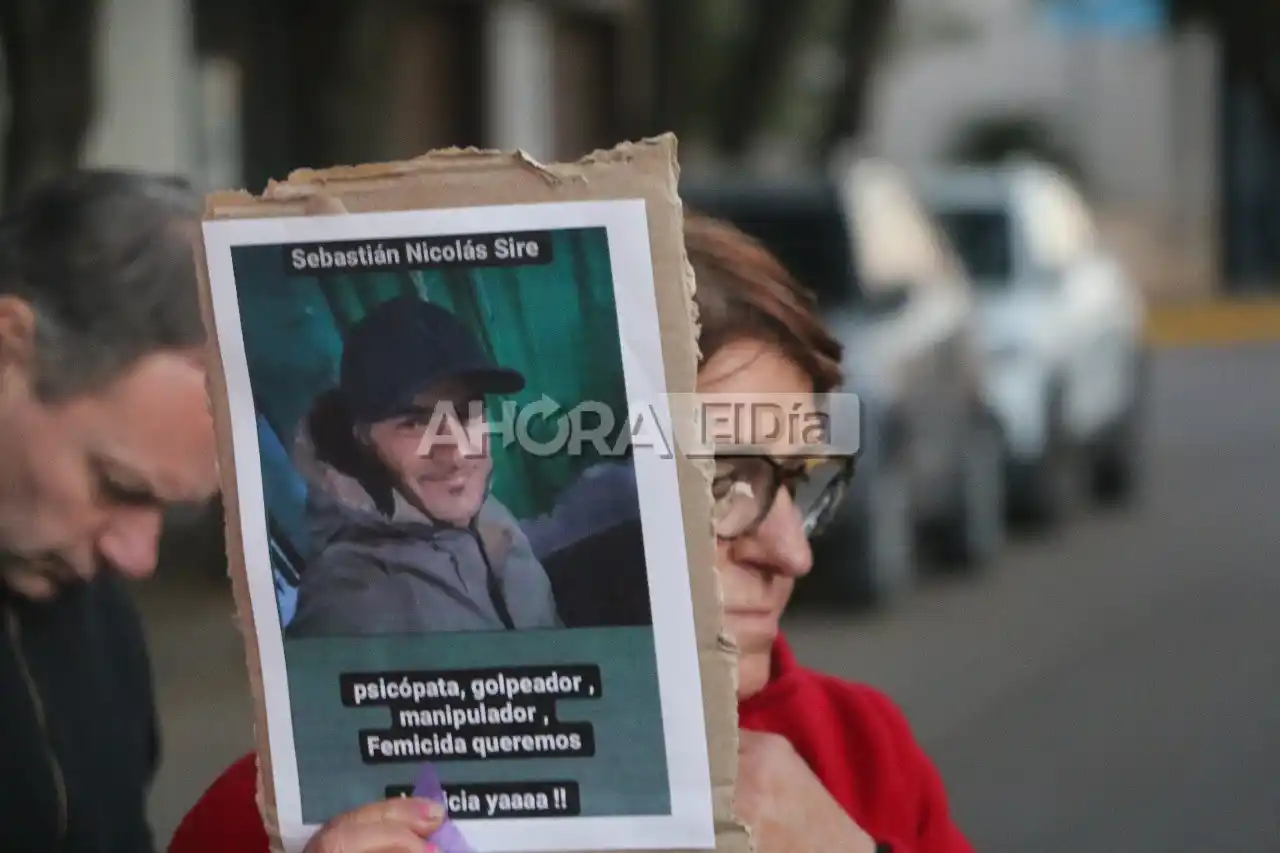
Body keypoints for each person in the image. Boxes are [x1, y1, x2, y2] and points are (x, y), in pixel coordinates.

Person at [167, 214, 972, 853]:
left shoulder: (859, 752)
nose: (793, 553)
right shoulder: (282, 815)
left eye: (796, 483)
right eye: (722, 482)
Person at [0, 170, 220, 852]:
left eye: (173, 511)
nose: (138, 557)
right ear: (10, 349)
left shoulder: (100, 625)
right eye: (118, 486)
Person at [284, 295, 560, 637]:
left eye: (464, 413)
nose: (457, 452)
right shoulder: (352, 602)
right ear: (364, 438)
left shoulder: (476, 507)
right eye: (414, 423)